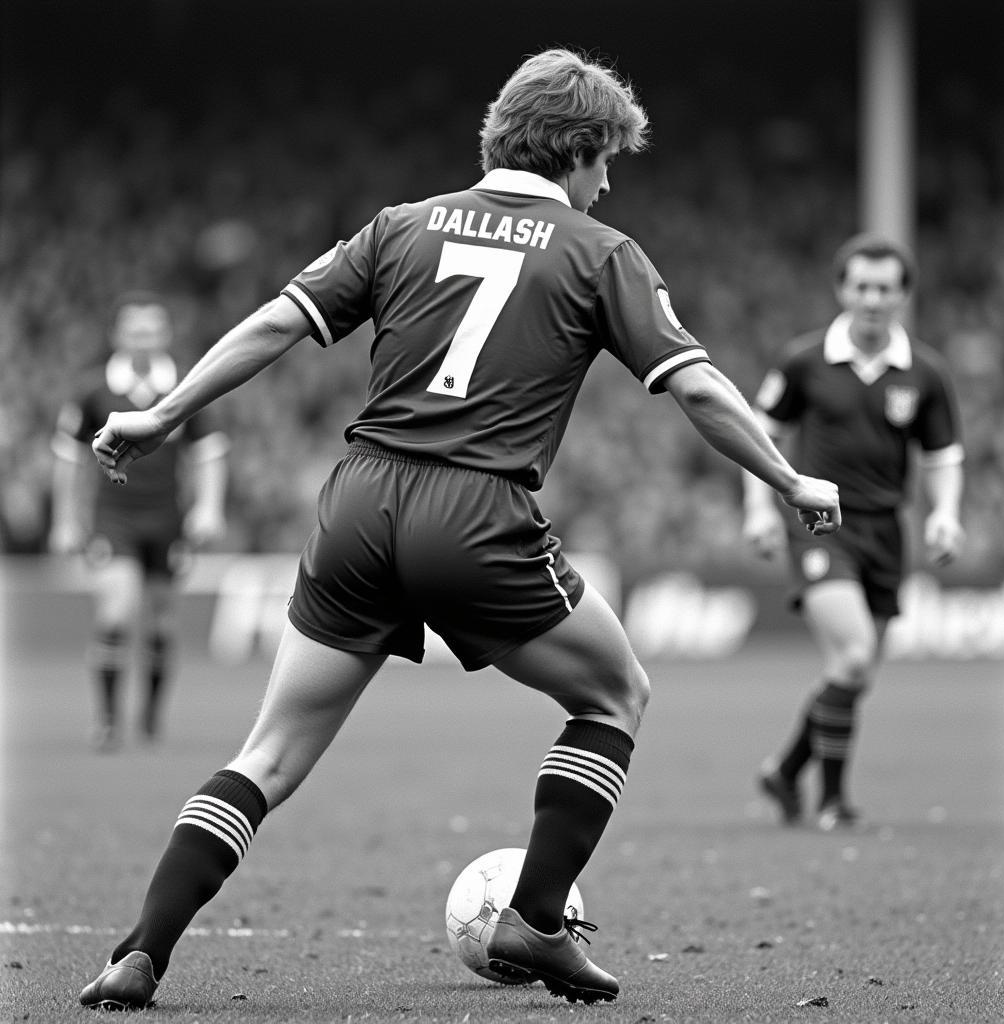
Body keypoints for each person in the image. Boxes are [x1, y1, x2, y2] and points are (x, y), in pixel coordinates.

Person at [80, 49, 840, 1011]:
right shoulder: (600, 251)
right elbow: (691, 382)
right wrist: (784, 474)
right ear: (578, 149)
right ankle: (537, 917)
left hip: (358, 503)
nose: (607, 185)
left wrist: (163, 415)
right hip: (475, 511)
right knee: (616, 692)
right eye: (607, 163)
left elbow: (275, 324)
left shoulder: (400, 226)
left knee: (267, 753)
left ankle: (141, 951)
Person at [743, 233, 965, 831]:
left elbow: (944, 455)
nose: (872, 298)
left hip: (887, 533)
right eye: (861, 286)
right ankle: (834, 802)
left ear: (902, 296)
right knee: (855, 654)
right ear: (842, 289)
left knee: (856, 672)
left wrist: (945, 513)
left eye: (884, 288)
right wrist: (761, 510)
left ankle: (785, 772)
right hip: (822, 526)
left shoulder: (926, 373)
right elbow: (760, 435)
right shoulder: (803, 361)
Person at [49, 292, 229, 751]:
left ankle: (150, 716)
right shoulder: (93, 390)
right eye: (135, 330)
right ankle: (108, 720)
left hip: (168, 519)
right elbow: (67, 459)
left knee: (162, 625)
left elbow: (209, 453)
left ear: (165, 334)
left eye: (151, 330)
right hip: (115, 517)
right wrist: (65, 521)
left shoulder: (189, 385)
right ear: (118, 335)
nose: (143, 339)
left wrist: (208, 507)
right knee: (115, 614)